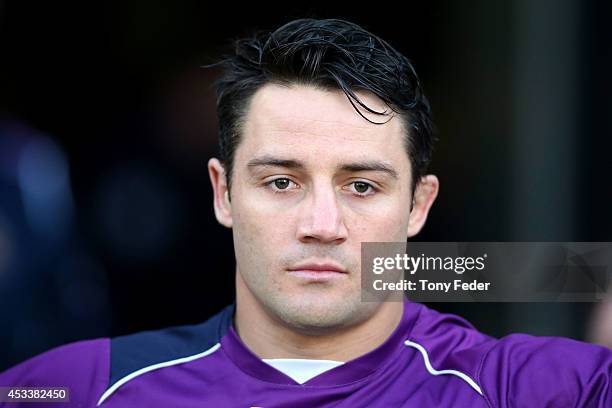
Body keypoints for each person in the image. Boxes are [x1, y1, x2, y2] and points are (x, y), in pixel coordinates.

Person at [1, 18, 611, 408]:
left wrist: (591, 274)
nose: (322, 221)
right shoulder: (84, 387)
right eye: (281, 181)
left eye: (363, 187)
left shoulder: (524, 387)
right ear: (223, 194)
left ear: (420, 205)